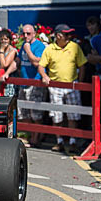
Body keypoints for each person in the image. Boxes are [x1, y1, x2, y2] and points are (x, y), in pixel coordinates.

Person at [37, 24, 87, 155]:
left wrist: (79, 83)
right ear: (58, 36)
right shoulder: (49, 49)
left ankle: (72, 142)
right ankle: (59, 141)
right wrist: (45, 76)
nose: (69, 37)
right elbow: (41, 66)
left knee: (73, 114)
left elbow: (82, 65)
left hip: (72, 85)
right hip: (55, 86)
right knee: (56, 115)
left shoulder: (75, 47)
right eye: (66, 34)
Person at [18, 24, 46, 147]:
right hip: (23, 83)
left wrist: (28, 49)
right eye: (23, 33)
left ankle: (36, 139)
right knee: (24, 113)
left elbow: (36, 62)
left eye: (28, 33)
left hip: (35, 82)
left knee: (36, 114)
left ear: (34, 34)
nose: (25, 36)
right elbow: (18, 62)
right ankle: (30, 136)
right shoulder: (23, 45)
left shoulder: (39, 46)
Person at [0, 29, 18, 96]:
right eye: (1, 39)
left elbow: (4, 65)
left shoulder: (12, 51)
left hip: (7, 82)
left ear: (10, 40)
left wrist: (1, 51)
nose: (3, 41)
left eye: (5, 39)